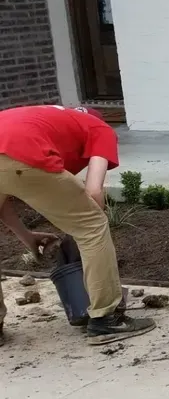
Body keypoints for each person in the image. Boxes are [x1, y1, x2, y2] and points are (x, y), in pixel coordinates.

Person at [0, 105, 154, 346]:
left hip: (10, 147)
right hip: (23, 151)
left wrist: (26, 236)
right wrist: (82, 233)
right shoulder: (98, 127)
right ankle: (106, 319)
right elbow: (93, 192)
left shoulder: (47, 118)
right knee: (93, 226)